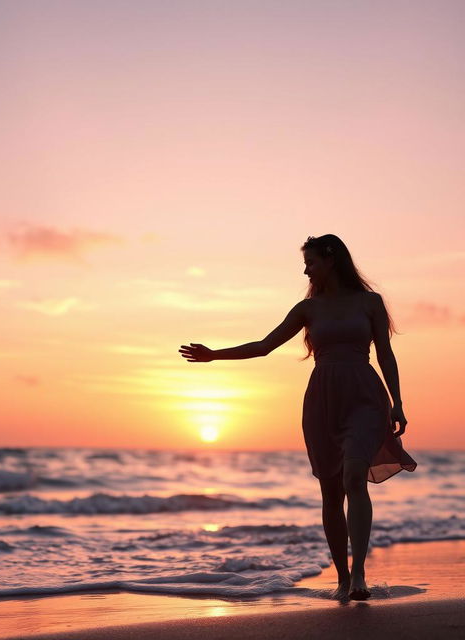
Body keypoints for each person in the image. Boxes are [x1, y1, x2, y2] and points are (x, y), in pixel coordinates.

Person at [178, 234, 416, 601]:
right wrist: (214, 355)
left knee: (355, 476)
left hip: (365, 397)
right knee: (331, 492)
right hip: (322, 401)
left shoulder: (370, 303)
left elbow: (385, 354)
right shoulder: (308, 309)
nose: (306, 269)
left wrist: (397, 402)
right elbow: (263, 346)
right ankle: (340, 577)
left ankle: (358, 575)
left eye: (311, 262)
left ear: (330, 259)